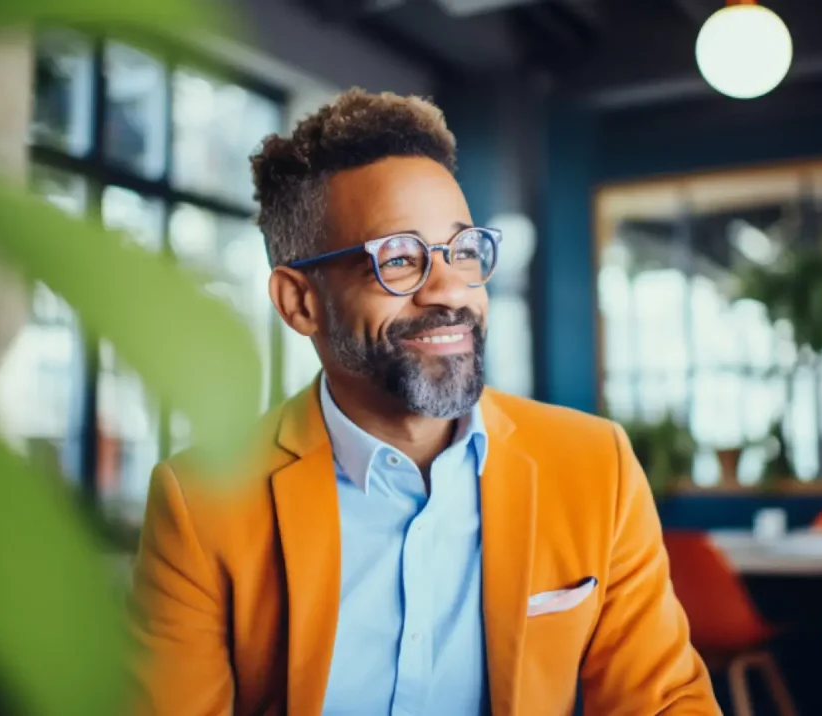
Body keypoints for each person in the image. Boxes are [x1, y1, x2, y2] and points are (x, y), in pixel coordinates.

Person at [129, 88, 718, 716]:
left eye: (463, 251)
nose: (449, 290)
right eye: (399, 260)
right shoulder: (203, 504)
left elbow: (662, 702)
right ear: (300, 302)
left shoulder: (594, 464)